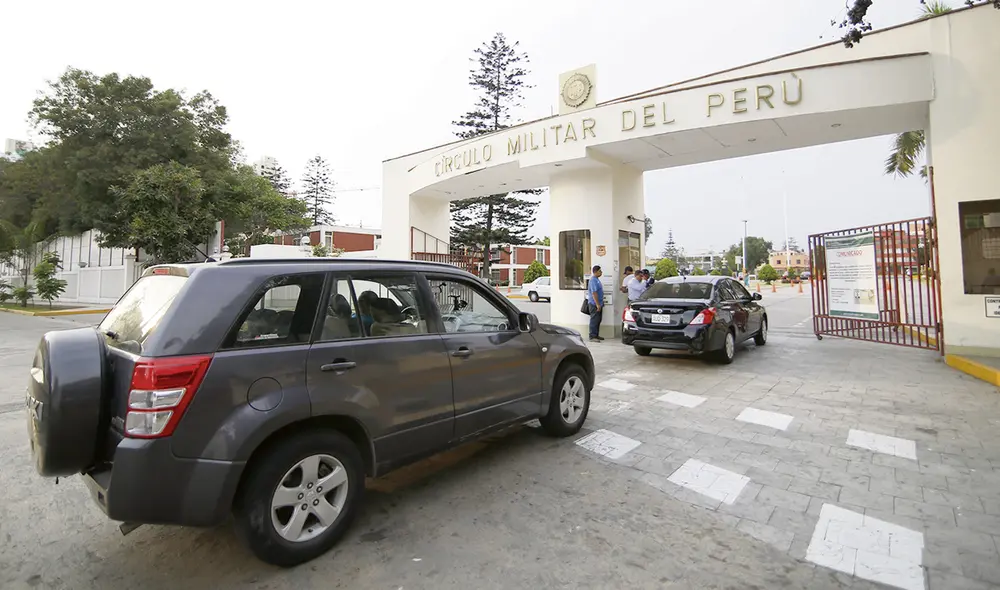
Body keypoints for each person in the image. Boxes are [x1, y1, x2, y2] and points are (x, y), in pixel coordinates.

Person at [588, 265, 605, 342]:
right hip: (594, 304)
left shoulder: (597, 280)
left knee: (598, 319)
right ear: (595, 272)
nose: (601, 273)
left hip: (600, 303)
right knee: (594, 320)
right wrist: (597, 304)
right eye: (600, 271)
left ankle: (596, 334)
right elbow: (594, 293)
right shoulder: (593, 280)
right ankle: (592, 336)